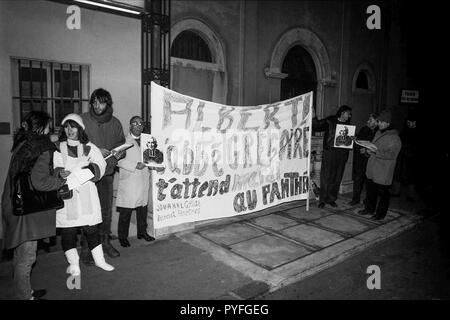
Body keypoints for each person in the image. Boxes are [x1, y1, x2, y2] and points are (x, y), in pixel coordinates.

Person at [1, 111, 66, 300]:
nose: (50, 130)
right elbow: (41, 182)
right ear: (43, 127)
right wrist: (60, 181)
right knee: (27, 257)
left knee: (20, 255)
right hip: (28, 212)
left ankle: (25, 290)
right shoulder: (42, 147)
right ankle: (24, 297)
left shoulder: (23, 143)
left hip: (15, 205)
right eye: (48, 126)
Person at [54, 114, 114, 276]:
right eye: (66, 126)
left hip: (87, 193)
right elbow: (54, 166)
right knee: (68, 232)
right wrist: (60, 172)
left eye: (73, 126)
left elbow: (101, 165)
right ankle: (74, 264)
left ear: (80, 128)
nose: (69, 130)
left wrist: (90, 170)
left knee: (91, 228)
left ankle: (100, 261)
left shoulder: (90, 147)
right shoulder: (58, 148)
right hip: (69, 194)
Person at [81, 88, 125, 262]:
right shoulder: (83, 120)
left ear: (108, 103)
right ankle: (86, 247)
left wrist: (119, 154)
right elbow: (73, 143)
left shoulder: (115, 123)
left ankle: (105, 242)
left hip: (106, 173)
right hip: (87, 174)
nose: (97, 106)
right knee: (88, 211)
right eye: (94, 102)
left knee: (105, 211)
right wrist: (94, 149)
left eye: (101, 102)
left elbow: (120, 144)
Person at [116, 116, 156, 247]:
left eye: (141, 124)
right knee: (126, 212)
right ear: (130, 125)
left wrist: (153, 163)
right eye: (135, 123)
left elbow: (152, 156)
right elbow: (117, 160)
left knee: (142, 209)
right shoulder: (123, 141)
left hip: (143, 178)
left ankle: (142, 232)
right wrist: (134, 165)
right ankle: (122, 237)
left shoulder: (148, 141)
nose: (139, 126)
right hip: (130, 180)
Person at [358, 109, 402, 220]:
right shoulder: (378, 132)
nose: (379, 124)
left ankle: (380, 214)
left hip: (383, 170)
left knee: (383, 194)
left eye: (382, 122)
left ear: (388, 123)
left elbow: (392, 155)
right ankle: (369, 208)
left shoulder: (394, 137)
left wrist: (375, 152)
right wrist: (367, 150)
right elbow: (373, 146)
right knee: (371, 191)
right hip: (373, 168)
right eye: (379, 121)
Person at [312, 105, 352, 208]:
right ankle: (322, 199)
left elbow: (347, 141)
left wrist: (352, 139)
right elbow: (317, 126)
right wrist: (313, 117)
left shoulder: (348, 125)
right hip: (330, 152)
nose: (349, 116)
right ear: (342, 113)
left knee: (337, 177)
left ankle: (331, 198)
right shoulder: (330, 120)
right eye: (348, 113)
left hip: (341, 154)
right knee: (326, 176)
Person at [348, 113, 379, 206]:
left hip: (372, 161)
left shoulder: (379, 133)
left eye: (370, 120)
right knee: (358, 180)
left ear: (377, 122)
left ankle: (368, 201)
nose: (367, 121)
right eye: (368, 120)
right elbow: (358, 141)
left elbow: (378, 147)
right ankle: (355, 199)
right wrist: (354, 139)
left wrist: (366, 150)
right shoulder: (364, 129)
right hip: (360, 160)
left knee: (370, 182)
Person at [398, 111, 419, 201]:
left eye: (413, 122)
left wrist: (409, 149)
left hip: (413, 158)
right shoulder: (404, 131)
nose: (411, 124)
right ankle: (396, 191)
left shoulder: (417, 132)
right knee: (398, 173)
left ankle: (411, 194)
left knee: (411, 176)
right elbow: (400, 141)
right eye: (409, 122)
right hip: (403, 156)